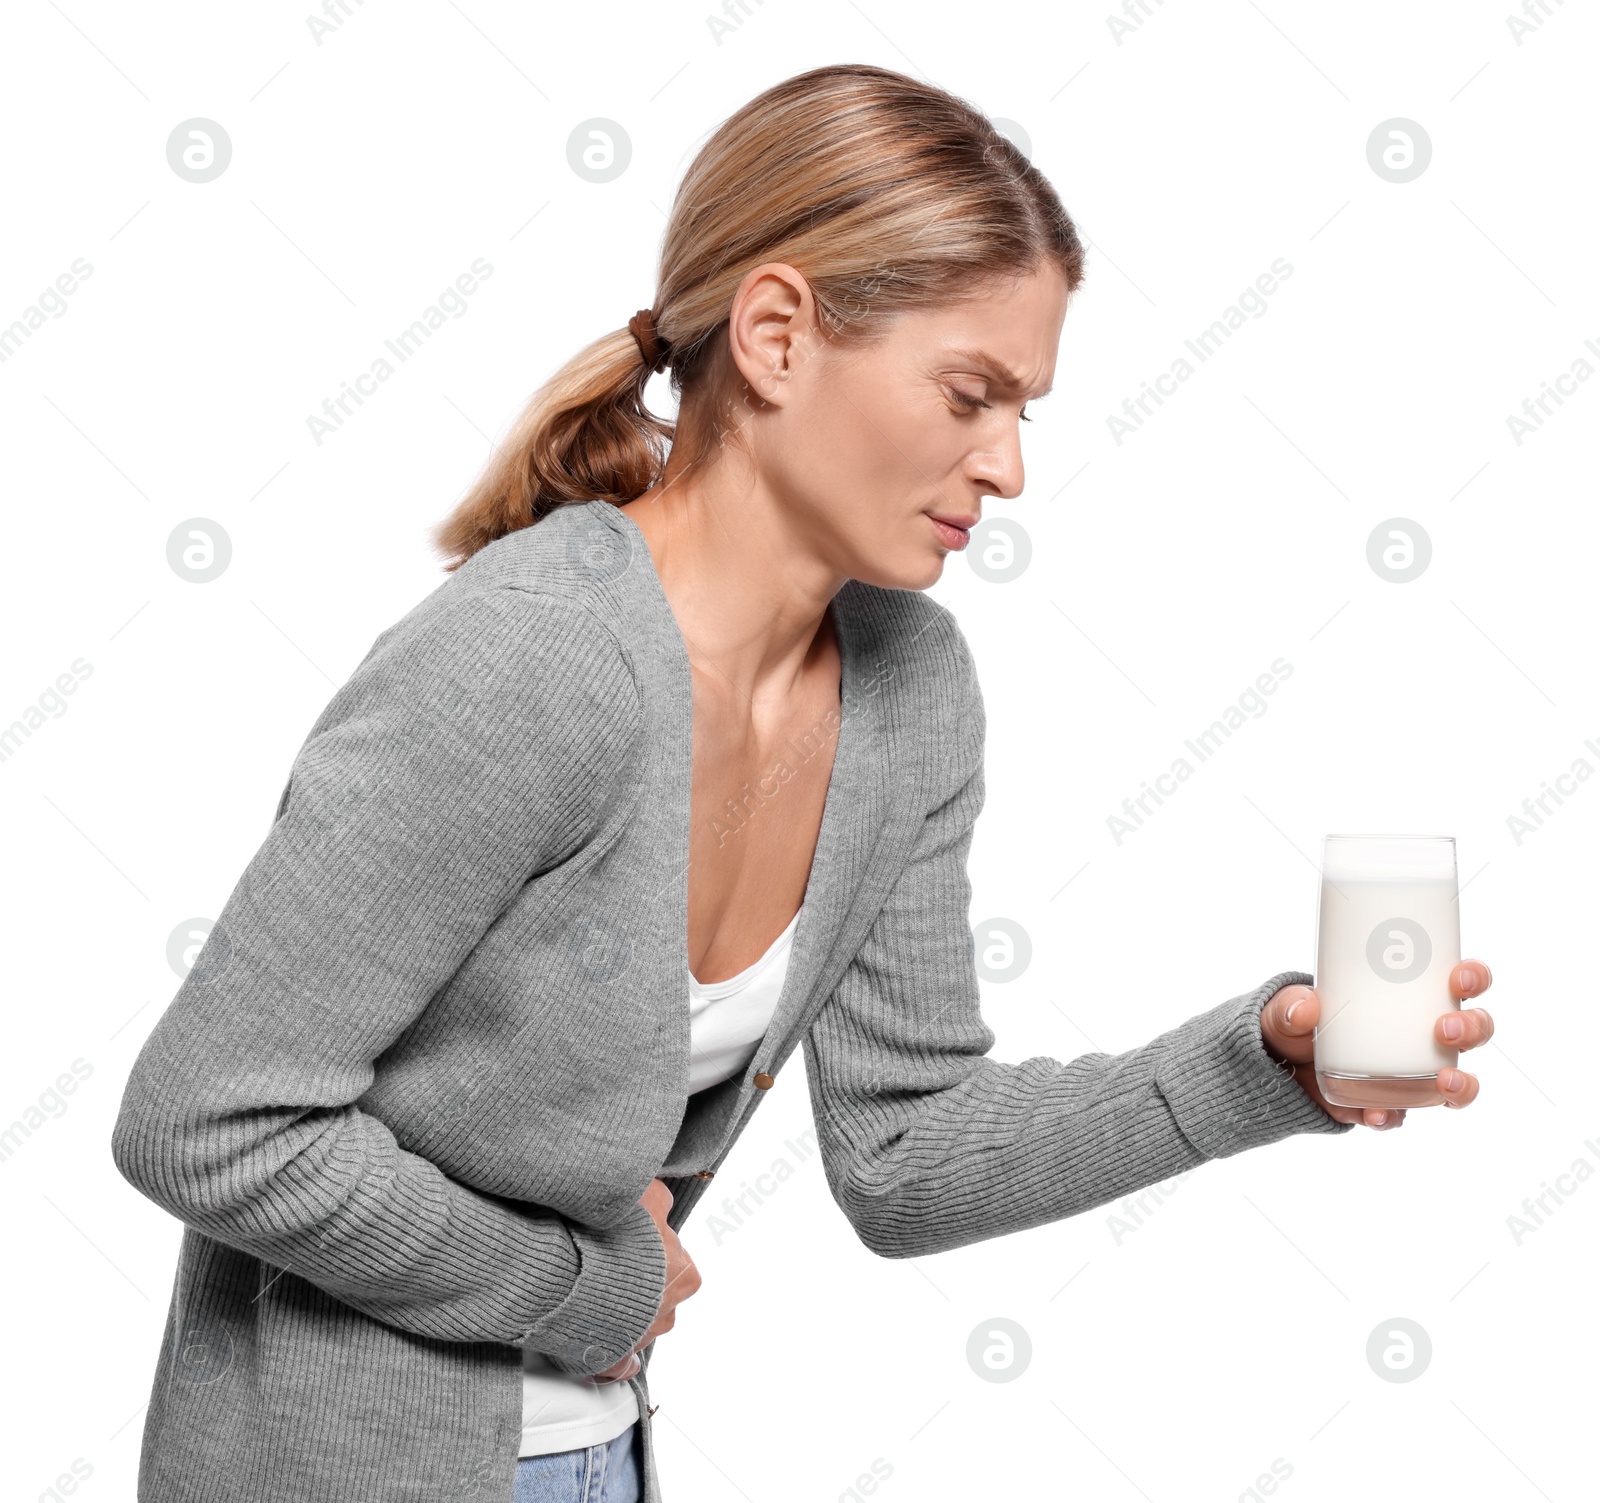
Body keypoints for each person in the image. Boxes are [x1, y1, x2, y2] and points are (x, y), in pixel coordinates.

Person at [110, 62, 1494, 1503]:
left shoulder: (908, 690)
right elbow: (207, 1122)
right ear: (776, 333)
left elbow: (907, 1153)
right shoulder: (534, 659)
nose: (1010, 465)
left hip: (602, 1460)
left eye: (1028, 411)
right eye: (972, 394)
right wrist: (579, 1287)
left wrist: (1264, 1066)